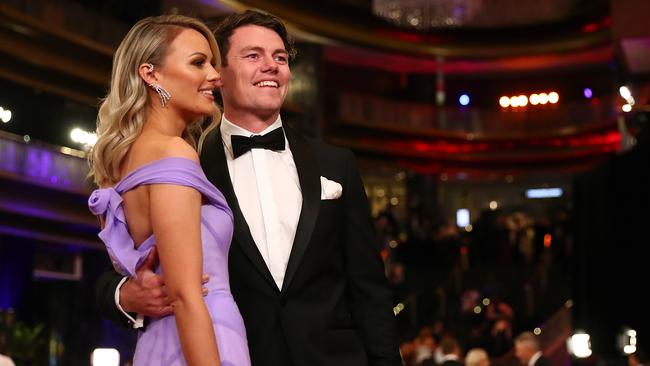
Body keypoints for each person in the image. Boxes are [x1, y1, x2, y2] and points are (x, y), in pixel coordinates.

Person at [96, 9, 401, 366]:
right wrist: (125, 295)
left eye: (281, 58)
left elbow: (369, 287)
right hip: (231, 352)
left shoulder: (337, 165)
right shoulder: (187, 163)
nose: (272, 66)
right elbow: (121, 268)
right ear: (220, 74)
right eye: (254, 55)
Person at [89, 14, 250, 366]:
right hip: (203, 342)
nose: (215, 76)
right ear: (151, 74)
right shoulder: (173, 152)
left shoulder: (119, 165)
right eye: (198, 63)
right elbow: (186, 296)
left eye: (212, 63)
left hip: (159, 344)